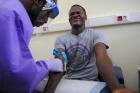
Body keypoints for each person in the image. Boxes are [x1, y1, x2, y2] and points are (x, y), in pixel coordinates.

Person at [51, 4, 137, 93]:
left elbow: (101, 57)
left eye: (78, 13)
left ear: (85, 17)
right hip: (69, 81)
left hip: (91, 82)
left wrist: (117, 89)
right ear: (69, 20)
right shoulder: (60, 39)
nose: (75, 15)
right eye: (72, 14)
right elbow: (59, 62)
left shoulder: (95, 35)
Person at [0, 0, 63, 93]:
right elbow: (15, 79)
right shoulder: (13, 13)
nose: (46, 20)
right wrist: (48, 66)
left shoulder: (6, 5)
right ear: (38, 1)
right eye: (47, 13)